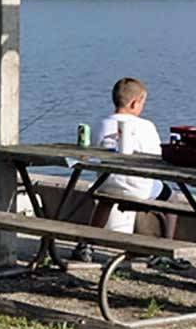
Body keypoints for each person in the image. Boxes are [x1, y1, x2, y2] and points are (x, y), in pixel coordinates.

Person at [72, 78, 187, 269]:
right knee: (172, 198)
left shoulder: (100, 124)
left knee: (105, 200)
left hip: (107, 184)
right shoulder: (146, 126)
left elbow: (88, 155)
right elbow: (158, 159)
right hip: (139, 190)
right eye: (143, 103)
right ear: (135, 103)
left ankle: (86, 245)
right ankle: (166, 249)